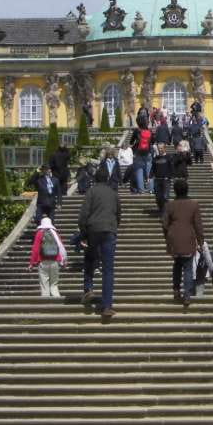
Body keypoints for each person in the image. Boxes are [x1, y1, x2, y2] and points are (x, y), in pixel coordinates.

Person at [79, 165, 122, 318]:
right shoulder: (113, 193)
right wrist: (114, 227)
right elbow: (118, 214)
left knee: (90, 258)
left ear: (95, 179)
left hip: (93, 230)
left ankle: (88, 288)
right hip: (109, 230)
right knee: (108, 270)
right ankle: (107, 306)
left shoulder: (91, 191)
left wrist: (83, 233)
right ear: (108, 179)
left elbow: (84, 214)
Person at [161, 179, 204, 306]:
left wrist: (167, 237)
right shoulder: (193, 205)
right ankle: (187, 295)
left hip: (174, 238)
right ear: (187, 189)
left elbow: (164, 224)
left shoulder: (169, 205)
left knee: (177, 264)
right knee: (188, 268)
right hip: (188, 239)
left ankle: (175, 289)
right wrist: (201, 241)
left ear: (175, 190)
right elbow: (198, 225)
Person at [29, 217, 66, 298]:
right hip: (55, 261)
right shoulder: (55, 233)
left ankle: (45, 300)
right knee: (54, 283)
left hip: (43, 261)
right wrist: (63, 261)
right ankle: (56, 299)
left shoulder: (39, 233)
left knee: (44, 283)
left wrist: (32, 263)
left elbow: (35, 249)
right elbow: (60, 247)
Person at [130, 119, 154, 194]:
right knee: (149, 171)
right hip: (148, 153)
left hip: (138, 153)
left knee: (139, 171)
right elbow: (153, 141)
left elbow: (131, 141)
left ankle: (141, 189)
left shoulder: (137, 131)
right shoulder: (149, 131)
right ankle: (151, 189)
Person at [150, 142, 174, 212]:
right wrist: (150, 176)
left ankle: (165, 213)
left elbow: (171, 168)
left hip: (165, 180)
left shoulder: (169, 157)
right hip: (157, 180)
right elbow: (153, 168)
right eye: (158, 148)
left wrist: (169, 176)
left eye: (161, 148)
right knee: (158, 197)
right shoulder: (155, 158)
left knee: (165, 197)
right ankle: (161, 209)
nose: (160, 149)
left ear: (164, 148)